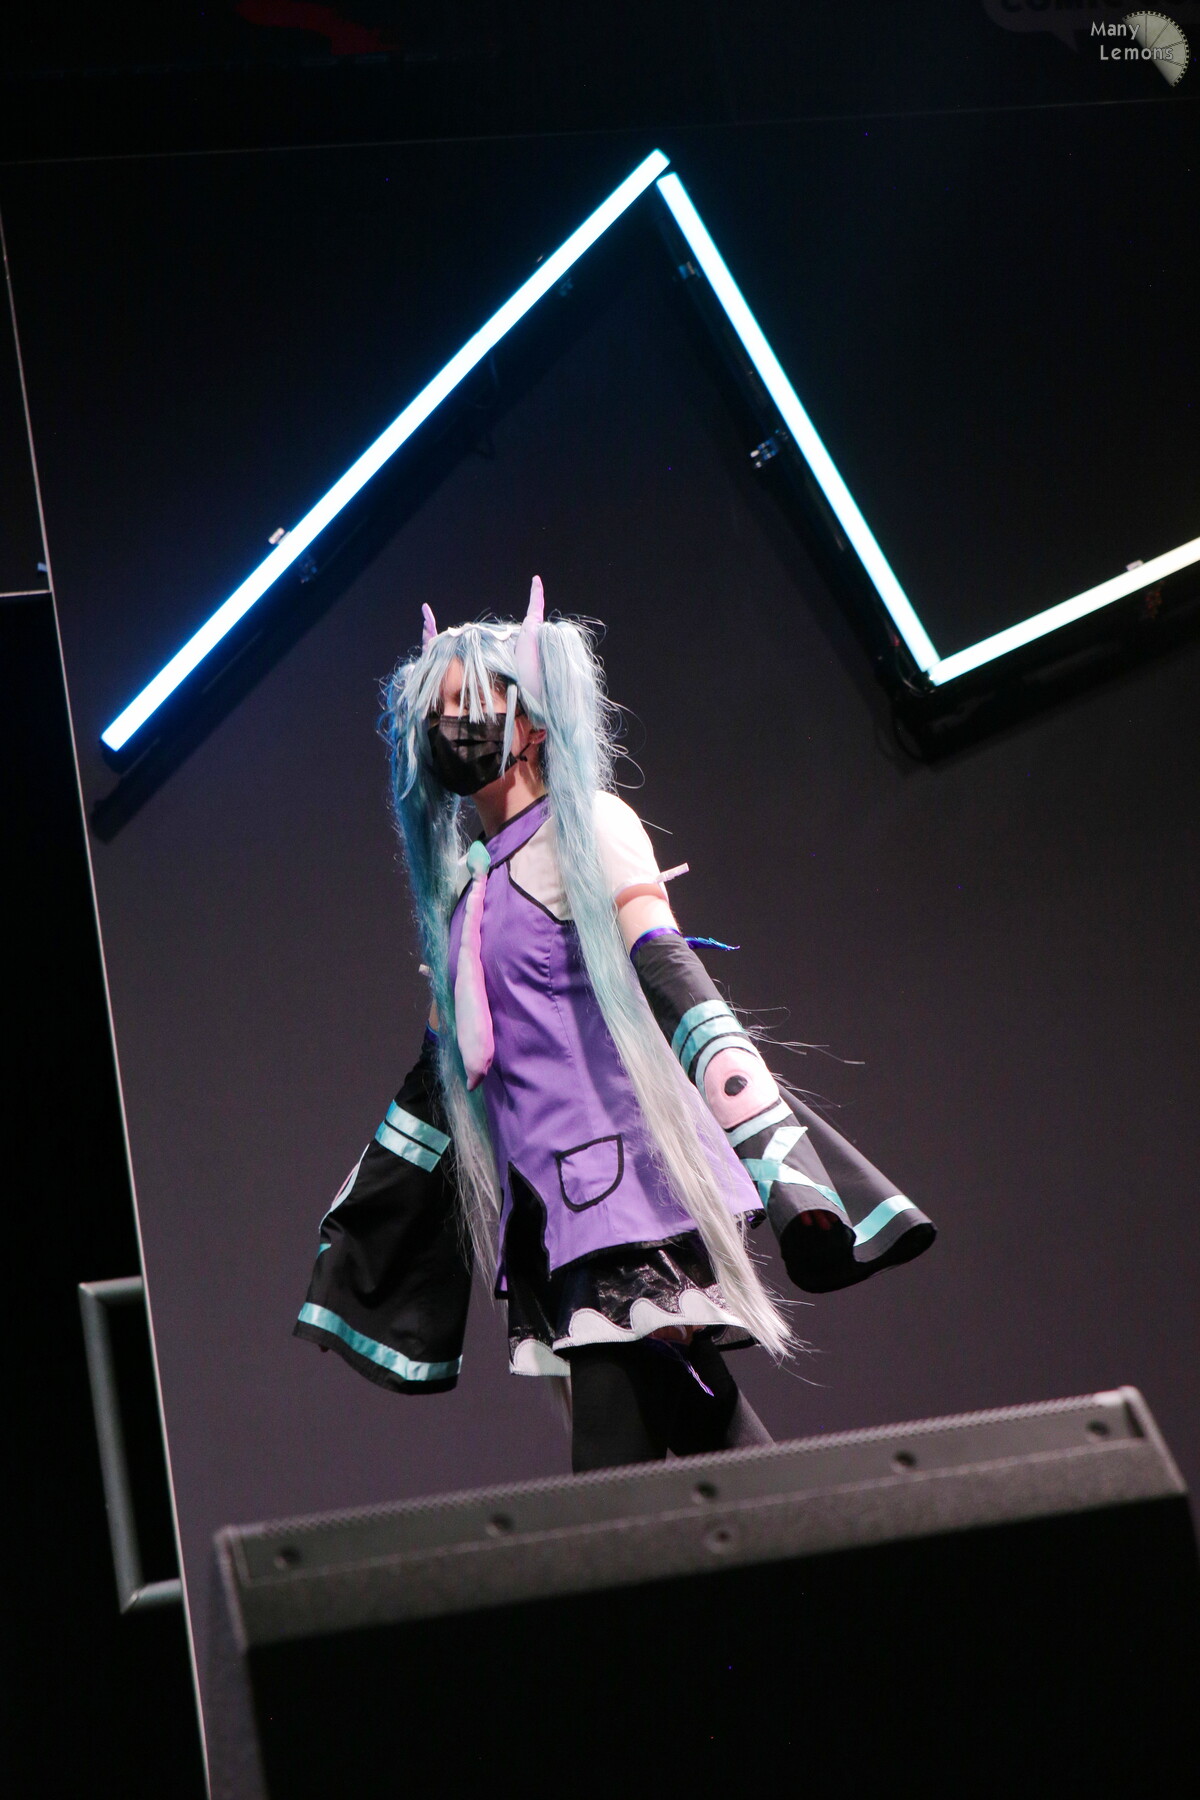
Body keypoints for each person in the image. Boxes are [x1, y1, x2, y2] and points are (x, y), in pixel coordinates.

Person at [295, 579, 935, 1470]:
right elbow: (438, 1085)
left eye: (470, 706)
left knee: (612, 1470)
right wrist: (363, 1236)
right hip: (549, 1216)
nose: (451, 728)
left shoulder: (586, 828)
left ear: (532, 721)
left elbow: (674, 981)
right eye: (436, 713)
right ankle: (829, 1545)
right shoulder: (464, 894)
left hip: (628, 1200)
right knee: (706, 1439)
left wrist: (783, 1163)